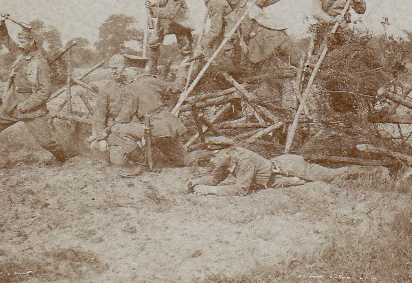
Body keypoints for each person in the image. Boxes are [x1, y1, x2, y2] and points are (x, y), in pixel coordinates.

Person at [0, 15, 67, 172]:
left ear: (32, 42)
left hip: (32, 110)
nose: (20, 45)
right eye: (20, 42)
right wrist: (0, 26)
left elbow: (44, 92)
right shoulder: (20, 55)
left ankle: (66, 160)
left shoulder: (40, 63)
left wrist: (26, 105)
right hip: (11, 106)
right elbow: (6, 40)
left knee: (47, 143)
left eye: (24, 42)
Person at [186, 138, 381, 196]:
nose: (212, 160)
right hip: (278, 173)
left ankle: (375, 171)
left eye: (214, 155)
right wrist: (197, 182)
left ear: (227, 151)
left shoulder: (243, 160)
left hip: (290, 166)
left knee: (331, 175)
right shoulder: (227, 159)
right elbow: (214, 178)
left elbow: (241, 190)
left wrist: (210, 191)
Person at [108, 67, 188, 174]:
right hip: (170, 127)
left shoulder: (131, 87)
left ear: (135, 71)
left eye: (126, 70)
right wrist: (183, 68)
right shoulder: (153, 81)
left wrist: (108, 128)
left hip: (153, 129)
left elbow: (125, 116)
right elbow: (178, 87)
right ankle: (211, 156)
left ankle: (142, 162)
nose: (124, 73)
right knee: (181, 160)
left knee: (117, 130)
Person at [133, 0, 193, 77]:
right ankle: (152, 71)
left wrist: (152, 9)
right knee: (153, 43)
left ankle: (189, 73)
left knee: (185, 48)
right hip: (163, 17)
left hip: (178, 19)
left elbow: (170, 12)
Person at [85, 54, 129, 156]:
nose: (114, 71)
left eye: (116, 68)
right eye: (112, 68)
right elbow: (99, 116)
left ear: (125, 68)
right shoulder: (106, 89)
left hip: (131, 127)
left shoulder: (133, 86)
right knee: (99, 148)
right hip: (112, 128)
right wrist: (101, 138)